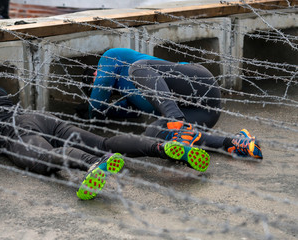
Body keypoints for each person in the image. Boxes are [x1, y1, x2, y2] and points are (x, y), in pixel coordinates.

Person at [0, 80, 211, 200]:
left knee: (44, 159)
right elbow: (3, 95)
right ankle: (161, 148)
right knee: (103, 142)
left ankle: (93, 164)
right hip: (37, 118)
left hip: (15, 134)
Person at [82, 48, 262, 159]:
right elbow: (123, 113)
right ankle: (233, 143)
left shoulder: (112, 57)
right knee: (152, 133)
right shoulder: (129, 98)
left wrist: (91, 115)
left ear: (95, 72)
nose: (96, 84)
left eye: (94, 80)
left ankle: (177, 122)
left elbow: (97, 103)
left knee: (138, 68)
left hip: (199, 84)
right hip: (204, 114)